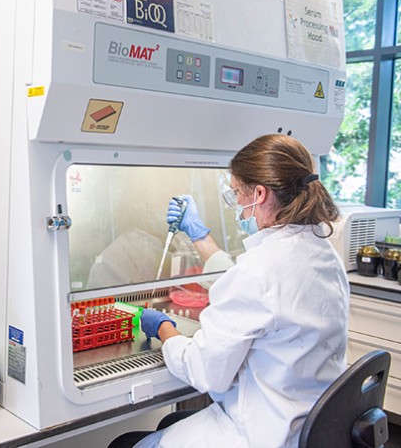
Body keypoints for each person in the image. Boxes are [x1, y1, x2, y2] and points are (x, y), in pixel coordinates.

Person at [111, 134, 349, 448]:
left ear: (260, 194)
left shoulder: (261, 270)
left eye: (237, 192)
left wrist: (166, 330)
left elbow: (204, 372)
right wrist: (200, 236)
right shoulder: (322, 250)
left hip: (261, 433)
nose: (236, 202)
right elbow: (252, 281)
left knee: (127, 444)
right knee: (171, 423)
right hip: (310, 425)